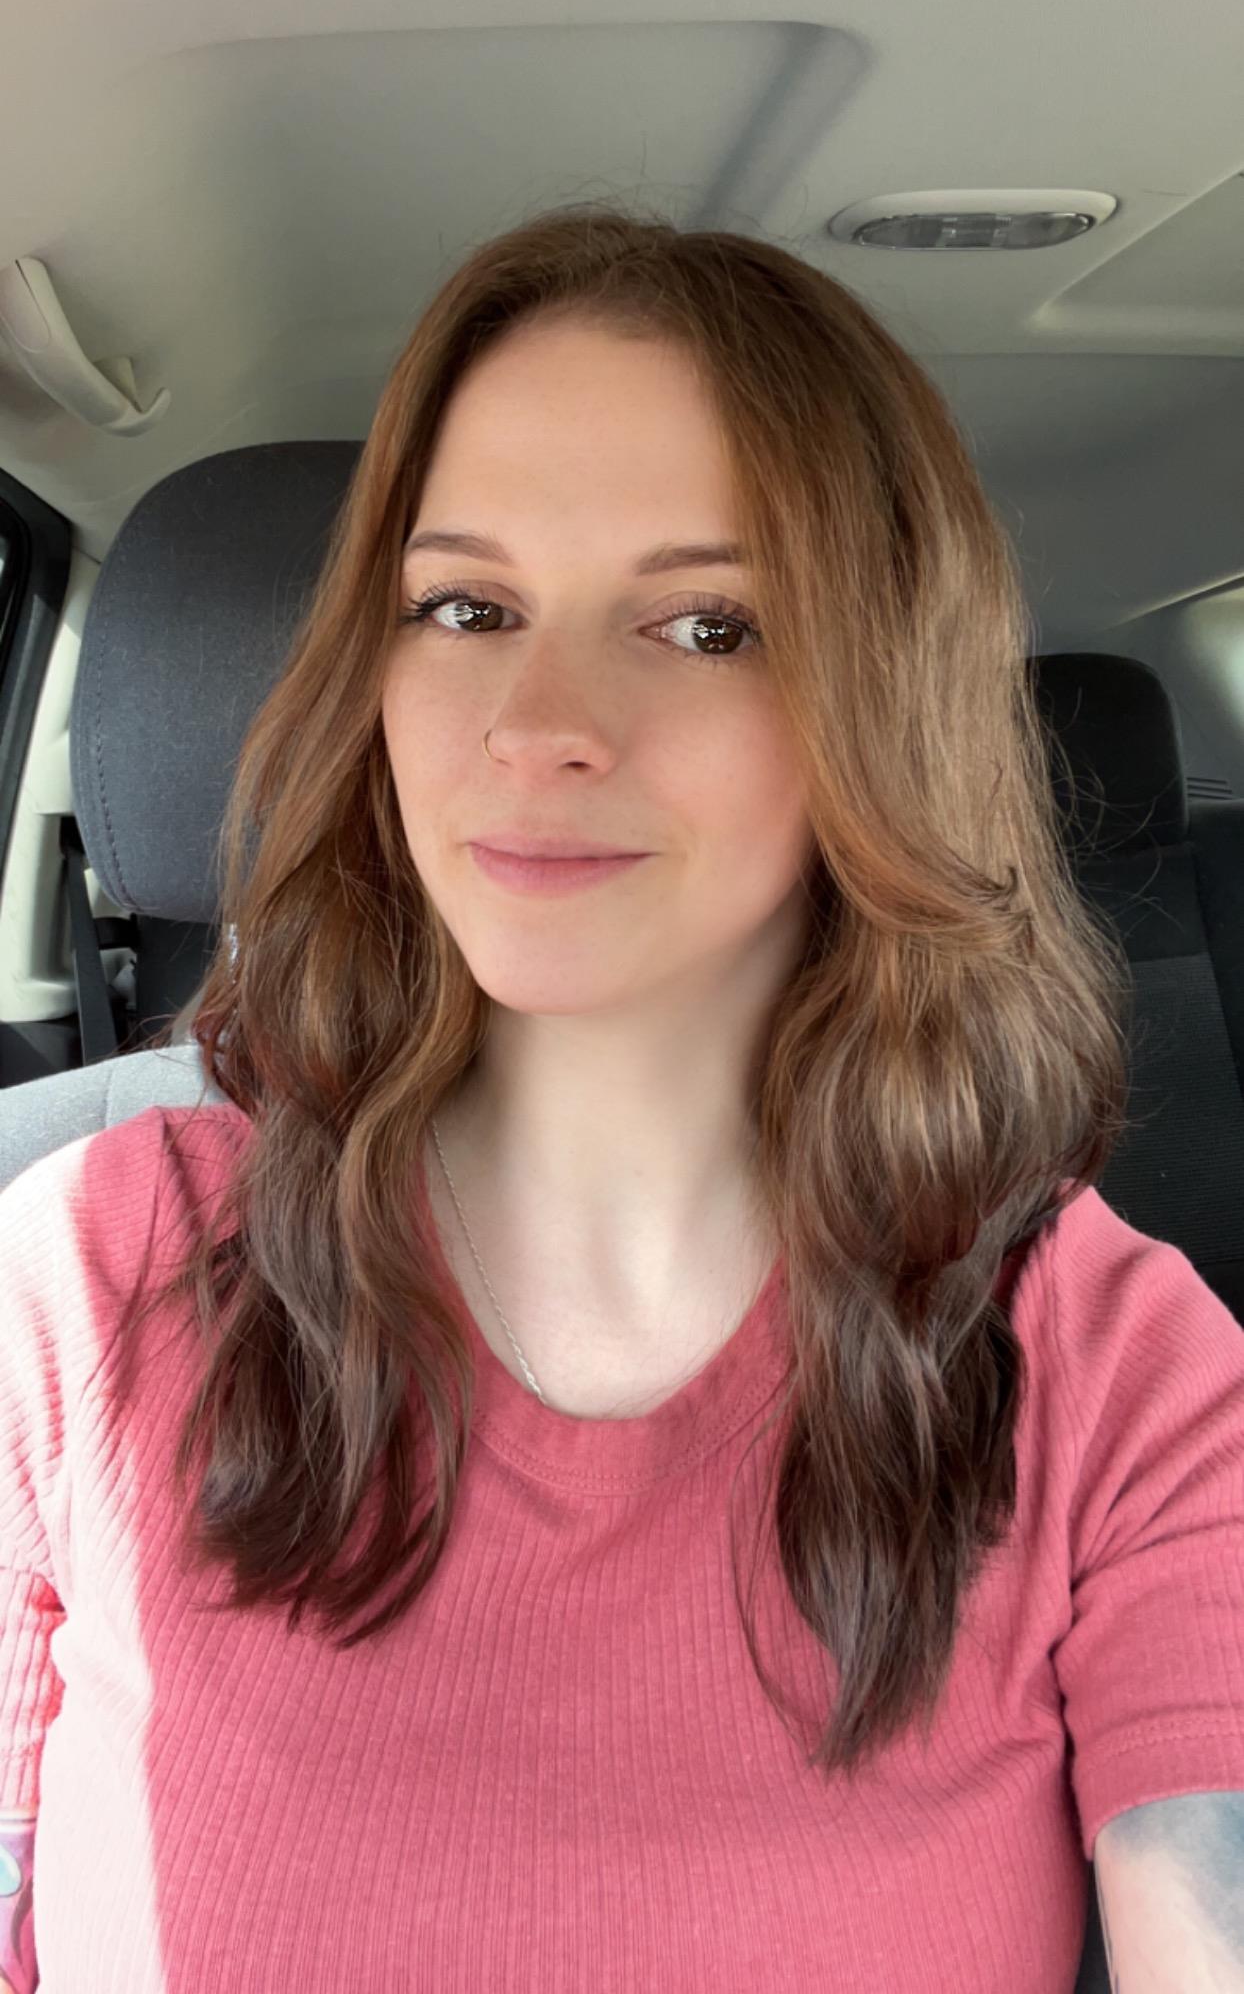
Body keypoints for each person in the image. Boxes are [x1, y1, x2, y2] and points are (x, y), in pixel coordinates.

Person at [3, 205, 1242, 1993]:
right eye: (466, 607)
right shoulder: (80, 1282)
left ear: (880, 701)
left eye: (706, 625)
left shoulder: (1116, 1374)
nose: (538, 721)